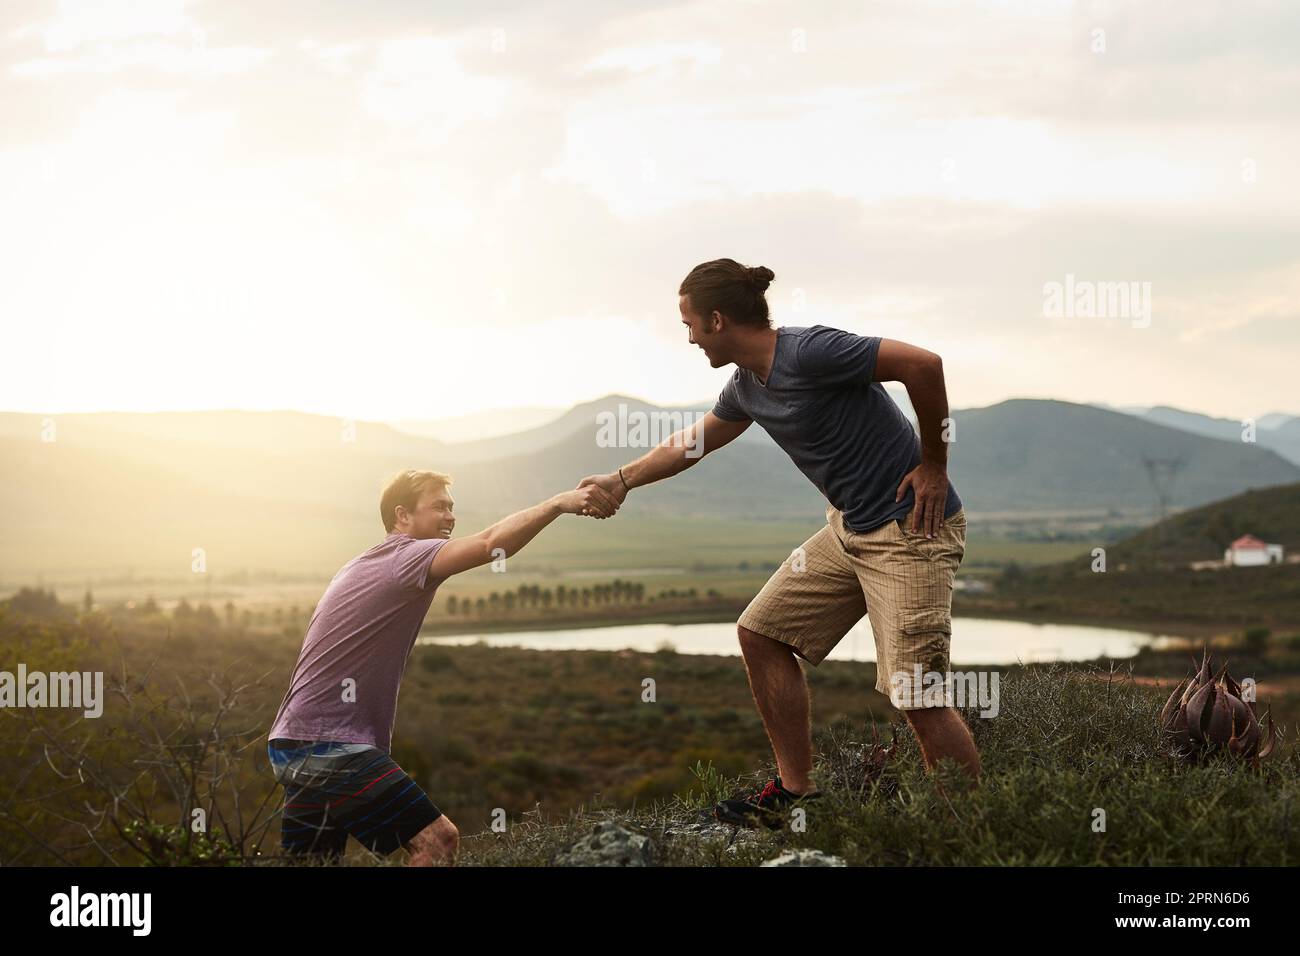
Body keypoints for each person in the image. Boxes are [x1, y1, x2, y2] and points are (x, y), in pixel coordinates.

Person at [579, 258, 979, 828]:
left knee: (918, 694)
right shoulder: (746, 386)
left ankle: (967, 832)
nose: (689, 337)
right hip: (850, 529)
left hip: (909, 529)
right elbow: (691, 444)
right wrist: (620, 481)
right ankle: (797, 791)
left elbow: (923, 364)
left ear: (717, 320)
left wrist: (934, 466)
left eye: (690, 324)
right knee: (761, 632)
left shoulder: (812, 352)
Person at [266, 469, 620, 863]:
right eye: (439, 507)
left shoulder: (366, 562)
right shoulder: (405, 557)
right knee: (438, 840)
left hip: (293, 741)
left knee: (315, 863)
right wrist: (558, 503)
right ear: (402, 517)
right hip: (328, 744)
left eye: (452, 506)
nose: (450, 516)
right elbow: (492, 543)